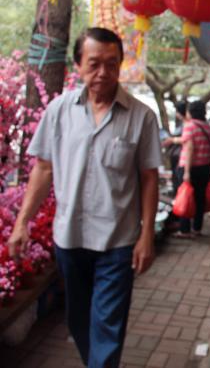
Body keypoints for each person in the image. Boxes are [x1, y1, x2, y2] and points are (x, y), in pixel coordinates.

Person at [7, 27, 162, 367]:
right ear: (78, 66)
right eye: (94, 64)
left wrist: (147, 234)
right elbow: (43, 170)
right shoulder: (59, 111)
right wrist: (22, 223)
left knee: (107, 325)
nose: (103, 73)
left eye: (111, 63)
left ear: (121, 65)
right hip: (70, 237)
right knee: (78, 319)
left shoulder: (141, 117)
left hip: (117, 242)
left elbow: (149, 178)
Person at [174, 100, 210, 238]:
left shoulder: (189, 126)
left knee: (186, 196)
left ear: (190, 112)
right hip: (205, 167)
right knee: (199, 198)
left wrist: (186, 172)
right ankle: (197, 228)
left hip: (190, 167)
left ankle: (184, 230)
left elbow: (190, 148)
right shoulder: (209, 128)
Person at [162, 100, 188, 196]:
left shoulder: (187, 124)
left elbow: (185, 139)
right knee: (177, 177)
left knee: (178, 177)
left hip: (181, 155)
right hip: (178, 154)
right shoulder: (183, 123)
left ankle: (179, 198)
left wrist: (172, 140)